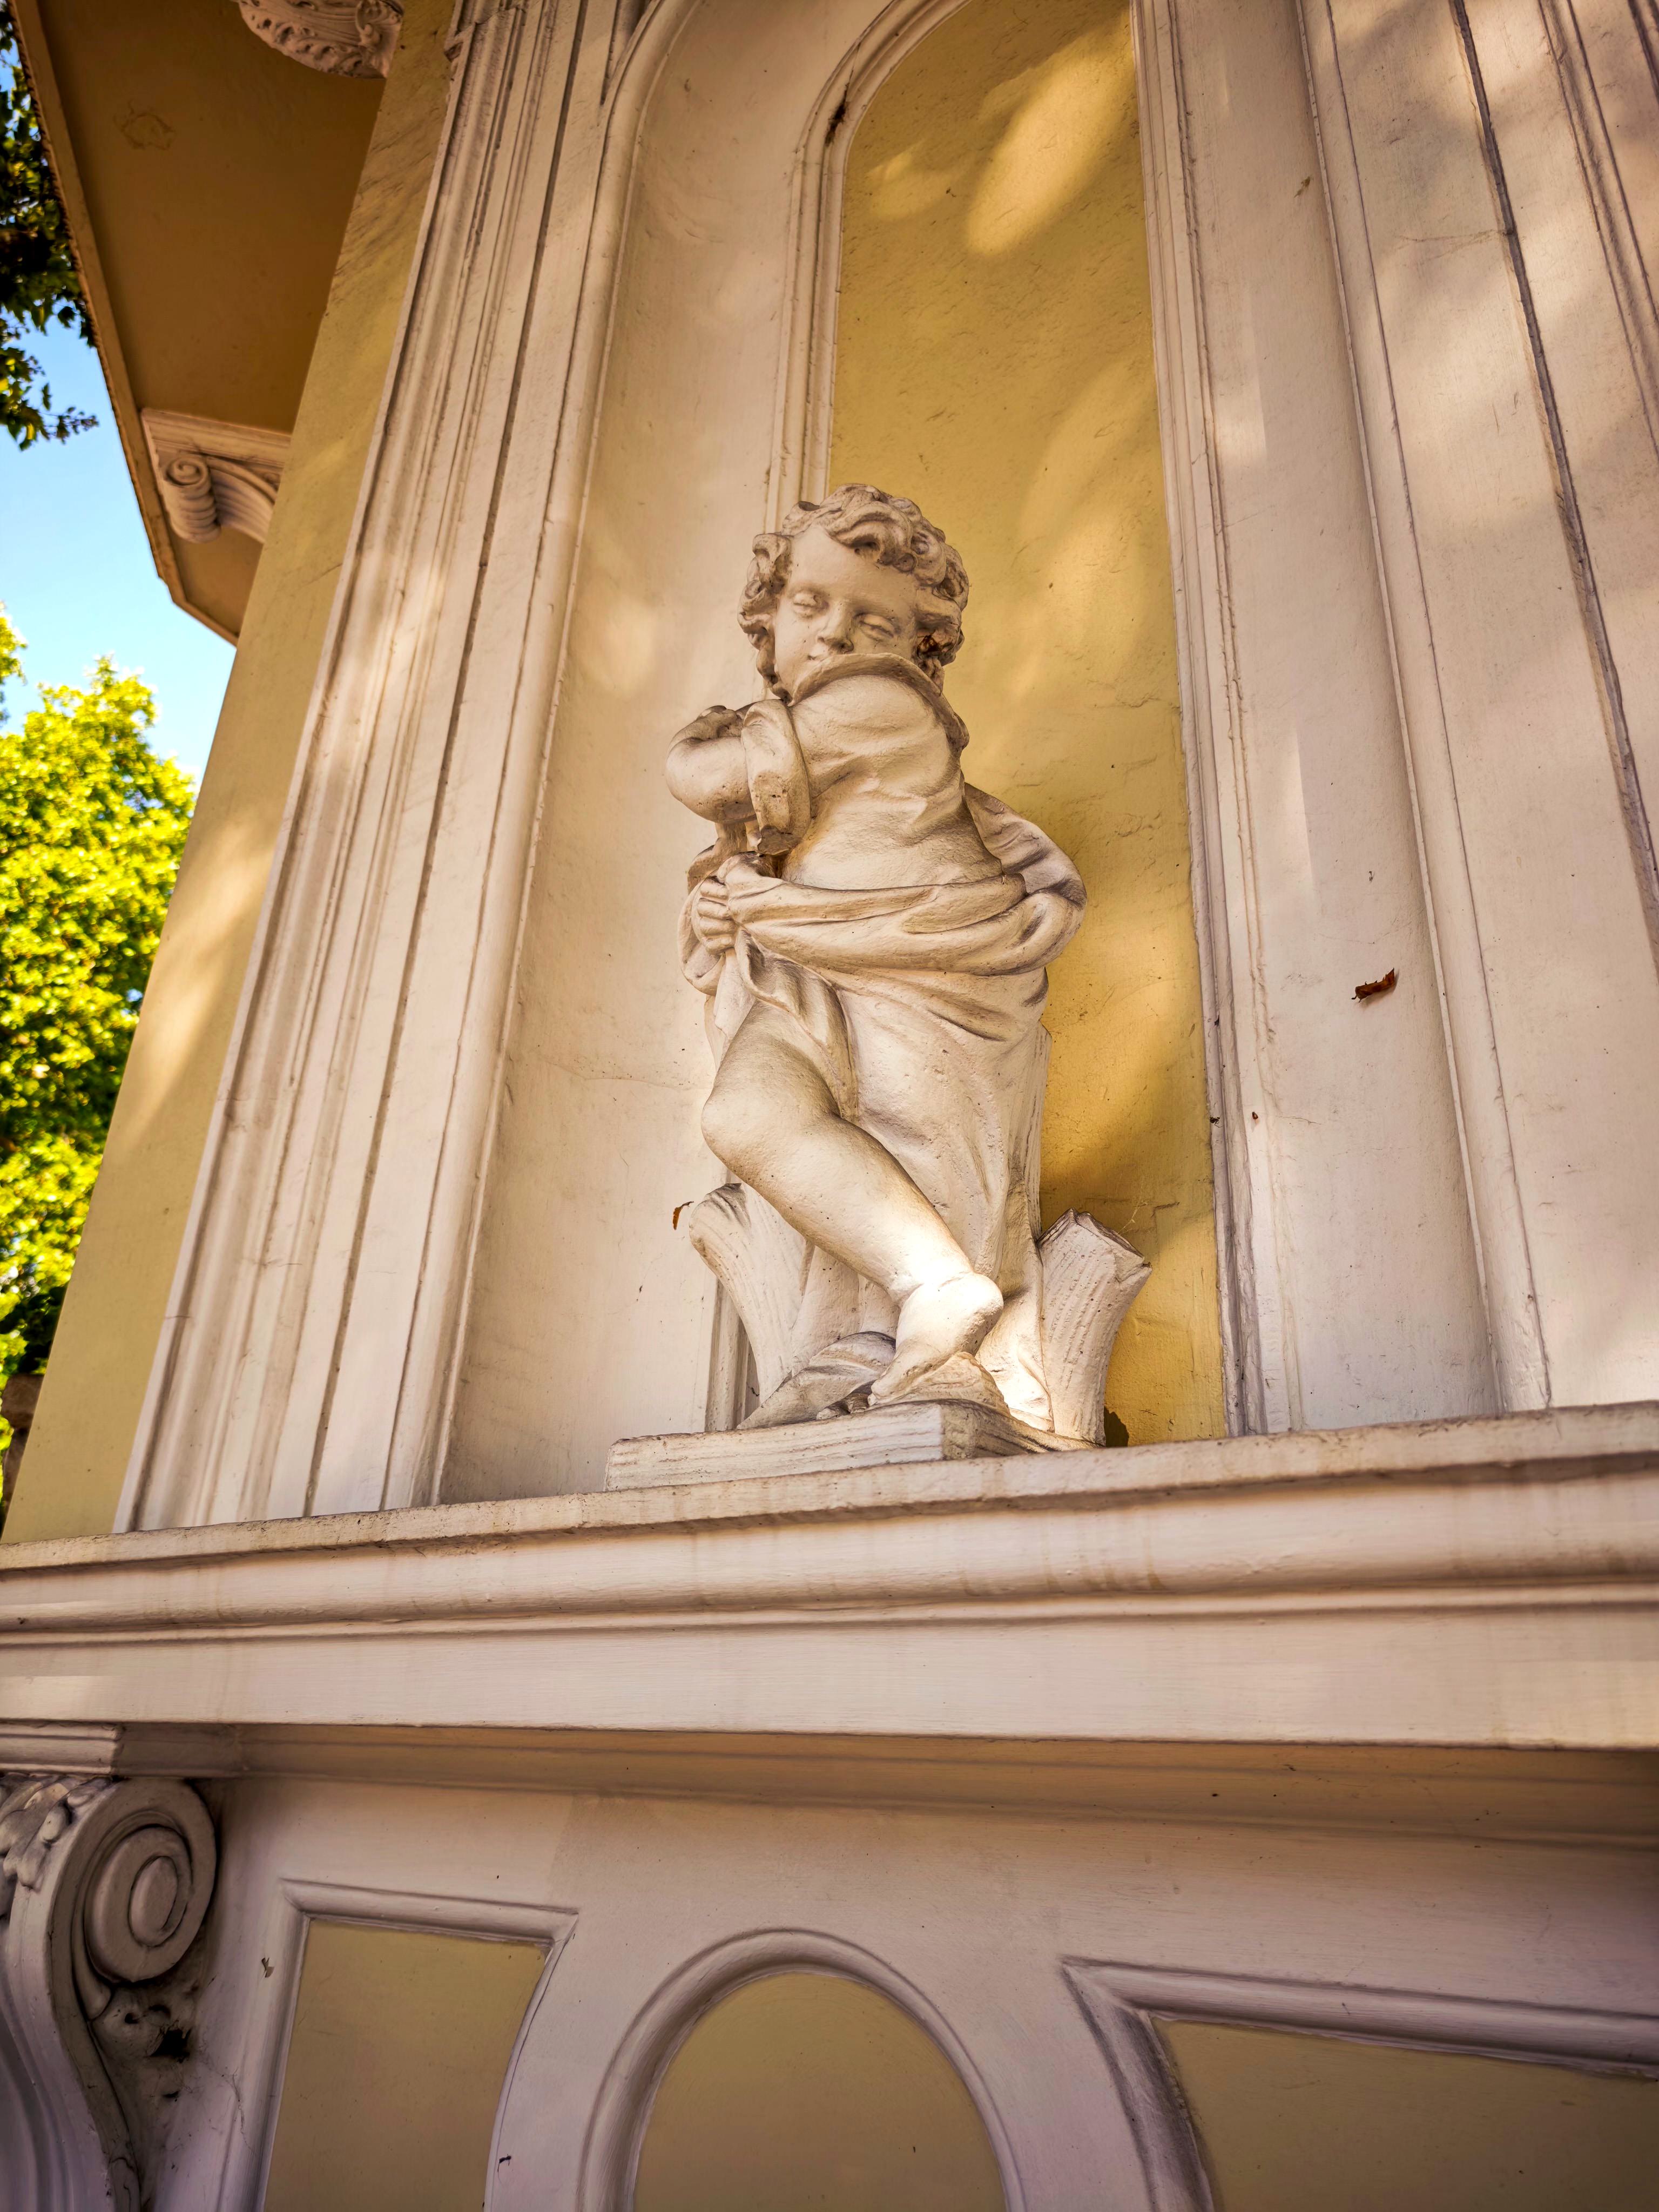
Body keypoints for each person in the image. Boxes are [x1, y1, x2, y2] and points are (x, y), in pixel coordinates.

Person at [668, 485, 1085, 1427]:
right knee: (745, 1115)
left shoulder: (880, 702)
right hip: (812, 966)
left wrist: (693, 743)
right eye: (810, 605)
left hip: (918, 960)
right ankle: (890, 1314)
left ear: (918, 654)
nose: (836, 634)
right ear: (768, 621)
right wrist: (732, 907)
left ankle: (932, 1297)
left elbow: (711, 780)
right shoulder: (805, 739)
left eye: (876, 623)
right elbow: (756, 856)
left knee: (911, 1135)